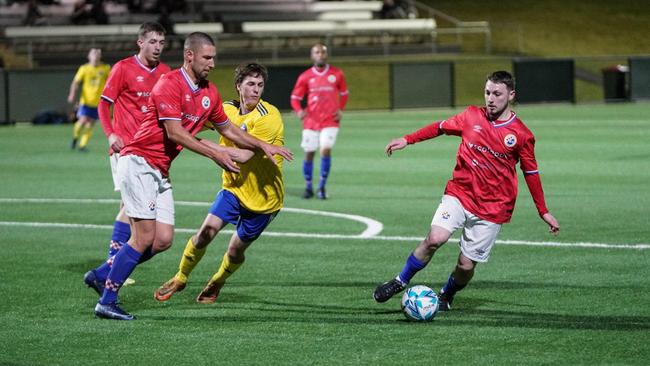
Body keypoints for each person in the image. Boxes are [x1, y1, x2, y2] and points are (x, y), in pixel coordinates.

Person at [88, 32, 293, 320]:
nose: (212, 63)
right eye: (207, 57)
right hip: (138, 162)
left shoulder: (209, 93)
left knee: (163, 241)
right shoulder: (168, 84)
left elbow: (228, 131)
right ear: (190, 56)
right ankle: (107, 299)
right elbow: (176, 133)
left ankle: (104, 273)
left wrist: (263, 145)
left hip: (161, 169)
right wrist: (216, 154)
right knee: (144, 238)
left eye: (214, 58)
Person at [373, 71, 560, 312]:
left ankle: (447, 294)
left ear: (511, 95)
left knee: (465, 266)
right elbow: (439, 127)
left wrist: (542, 210)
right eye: (487, 92)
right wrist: (408, 139)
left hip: (493, 207)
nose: (490, 99)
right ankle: (400, 281)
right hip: (459, 194)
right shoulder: (471, 115)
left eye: (497, 94)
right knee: (435, 238)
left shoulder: (522, 135)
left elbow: (531, 173)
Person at [153, 62, 285, 304]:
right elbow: (189, 124)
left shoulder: (269, 117)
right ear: (238, 87)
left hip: (264, 200)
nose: (256, 89)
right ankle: (181, 277)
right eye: (251, 84)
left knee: (235, 250)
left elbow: (245, 156)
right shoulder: (227, 109)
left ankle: (217, 281)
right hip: (233, 189)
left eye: (260, 85)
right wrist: (177, 125)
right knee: (205, 233)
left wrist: (199, 142)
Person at [81, 22, 170, 293]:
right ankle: (113, 267)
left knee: (131, 208)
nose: (157, 47)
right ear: (140, 43)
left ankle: (111, 267)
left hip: (152, 152)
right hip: (125, 150)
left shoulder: (166, 73)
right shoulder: (123, 68)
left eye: (161, 43)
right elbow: (104, 103)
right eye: (152, 41)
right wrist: (110, 135)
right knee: (130, 207)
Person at [290, 43, 348, 200]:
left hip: (330, 120)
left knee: (325, 149)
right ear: (312, 56)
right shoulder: (305, 76)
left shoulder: (337, 73)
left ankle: (321, 187)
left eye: (323, 52)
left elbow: (344, 93)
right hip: (311, 121)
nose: (320, 54)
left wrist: (340, 108)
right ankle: (308, 186)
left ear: (326, 55)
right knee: (309, 153)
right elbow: (295, 97)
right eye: (317, 52)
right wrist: (299, 110)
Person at [68, 47, 110, 151]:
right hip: (86, 102)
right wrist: (72, 94)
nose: (95, 56)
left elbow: (111, 82)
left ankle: (82, 146)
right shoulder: (84, 68)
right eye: (93, 54)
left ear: (100, 56)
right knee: (82, 121)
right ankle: (75, 138)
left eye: (97, 54)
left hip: (98, 102)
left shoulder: (105, 68)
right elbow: (75, 82)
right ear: (89, 56)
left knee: (90, 124)